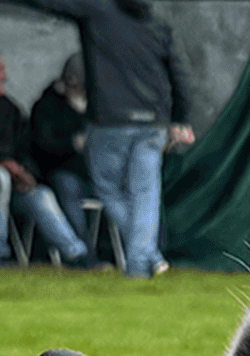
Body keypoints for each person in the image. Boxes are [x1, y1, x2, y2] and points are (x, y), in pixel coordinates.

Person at [13, 0, 195, 278]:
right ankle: (143, 262)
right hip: (152, 123)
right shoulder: (158, 27)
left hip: (110, 122)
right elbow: (178, 76)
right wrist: (181, 118)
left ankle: (144, 261)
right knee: (145, 194)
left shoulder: (99, 12)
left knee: (109, 190)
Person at [0, 44, 91, 267]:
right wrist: (0, 164)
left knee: (41, 195)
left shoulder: (9, 109)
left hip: (15, 185)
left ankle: (78, 255)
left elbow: (26, 147)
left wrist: (24, 171)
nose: (4, 76)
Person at [30, 54, 94, 250]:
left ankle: (142, 253)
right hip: (60, 171)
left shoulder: (96, 106)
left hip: (93, 173)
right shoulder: (47, 107)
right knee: (68, 187)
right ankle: (84, 256)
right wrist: (72, 144)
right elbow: (43, 145)